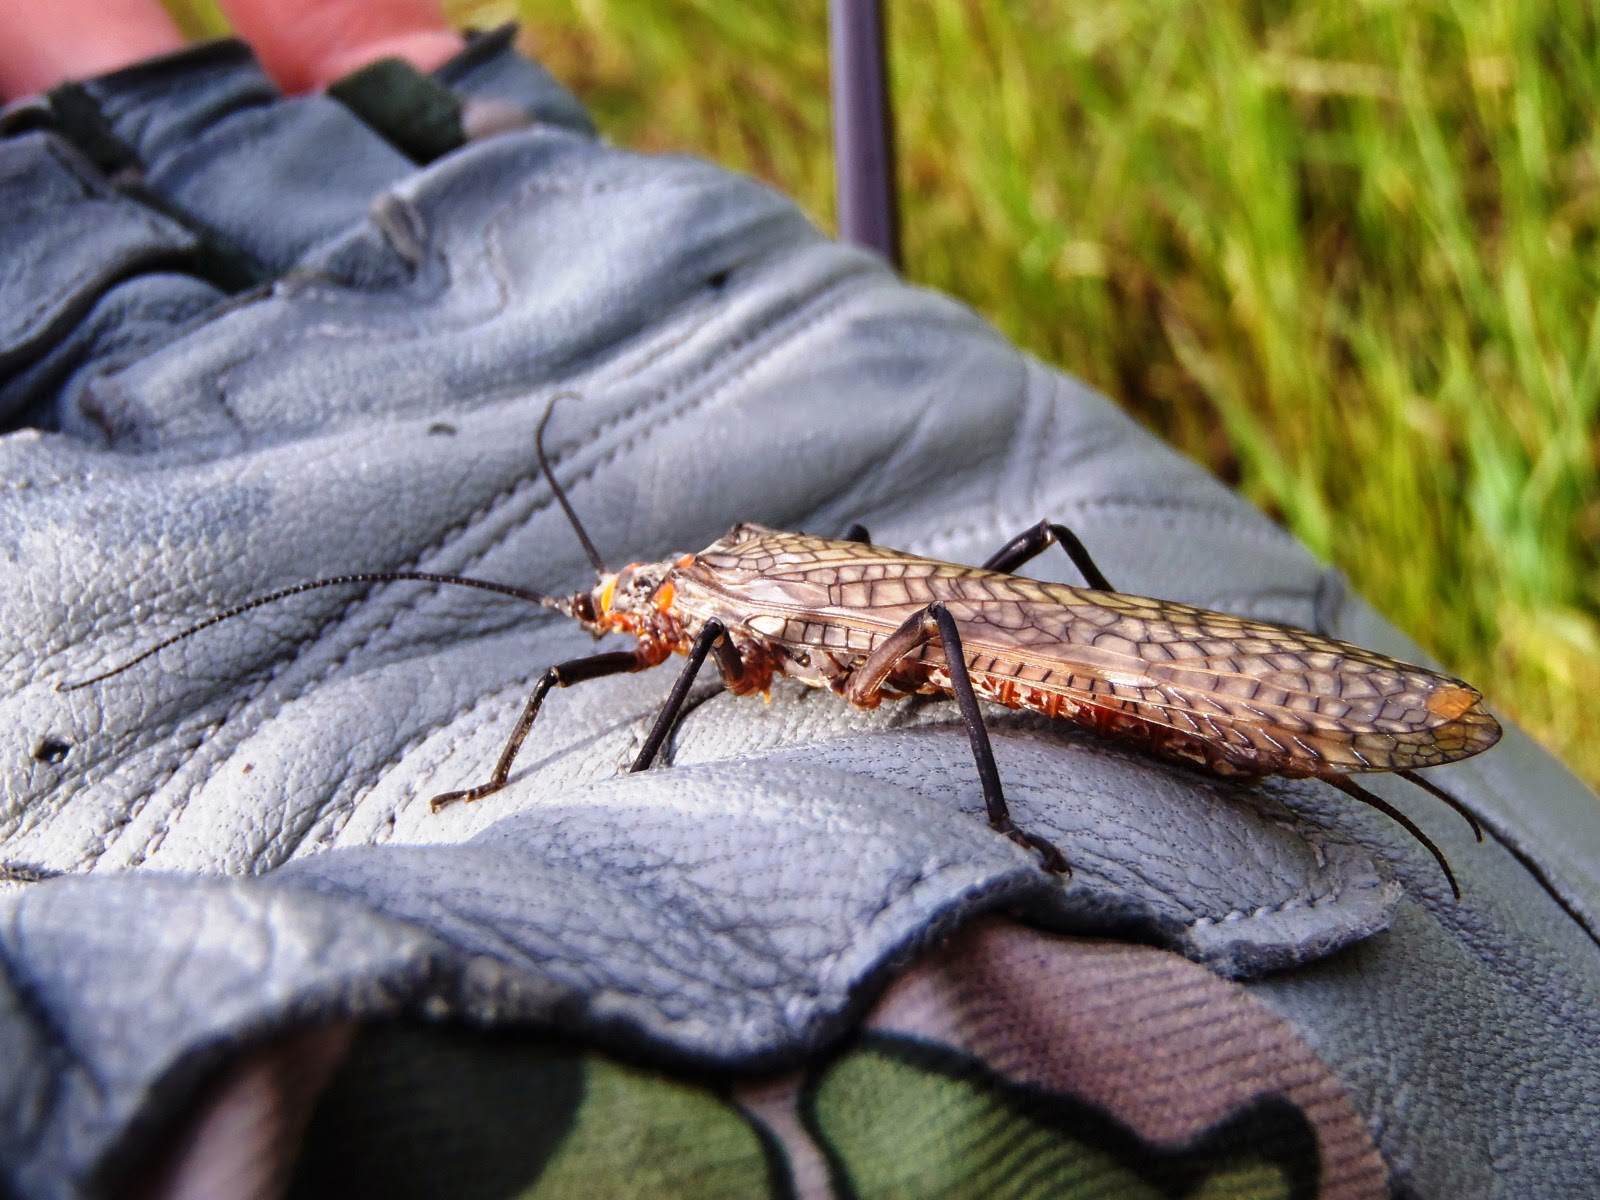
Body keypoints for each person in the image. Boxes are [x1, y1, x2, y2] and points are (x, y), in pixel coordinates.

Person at [2, 4, 1598, 1197]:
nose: (615, 641)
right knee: (991, 594)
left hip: (1029, 659)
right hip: (983, 643)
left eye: (625, 622)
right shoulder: (675, 606)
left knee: (990, 610)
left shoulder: (715, 606)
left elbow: (877, 650)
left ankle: (1256, 721)